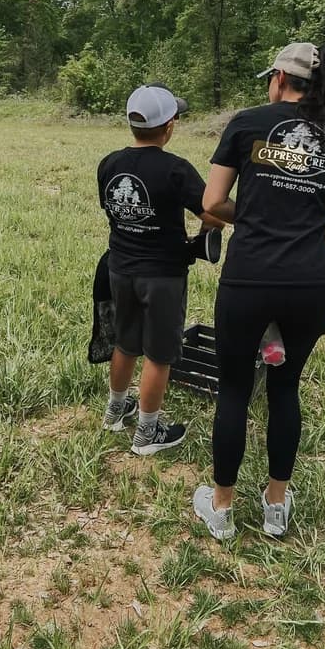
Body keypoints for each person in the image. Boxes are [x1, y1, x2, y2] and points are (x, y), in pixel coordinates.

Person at [193, 42, 325, 539]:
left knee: (235, 389)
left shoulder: (247, 123)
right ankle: (275, 506)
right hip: (310, 283)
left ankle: (221, 509)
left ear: (281, 80)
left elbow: (210, 203)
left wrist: (254, 216)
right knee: (285, 388)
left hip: (249, 277)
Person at [97, 84, 224, 455]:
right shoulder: (176, 169)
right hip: (163, 276)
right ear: (169, 126)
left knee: (125, 341)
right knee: (158, 353)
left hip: (119, 268)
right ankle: (147, 434)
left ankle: (115, 412)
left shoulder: (109, 163)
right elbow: (213, 211)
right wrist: (208, 231)